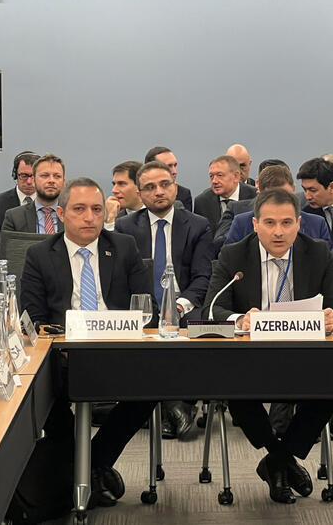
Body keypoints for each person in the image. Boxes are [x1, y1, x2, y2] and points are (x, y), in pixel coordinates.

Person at [202, 187, 333, 505]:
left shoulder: (318, 252)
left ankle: (276, 461)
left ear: (298, 224)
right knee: (236, 391)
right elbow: (212, 309)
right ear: (255, 224)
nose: (278, 232)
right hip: (250, 361)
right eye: (269, 223)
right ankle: (282, 459)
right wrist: (240, 320)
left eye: (286, 223)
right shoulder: (234, 255)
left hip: (306, 358)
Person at [20, 177, 155, 509]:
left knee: (156, 384)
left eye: (96, 209)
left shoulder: (124, 247)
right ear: (61, 214)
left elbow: (146, 307)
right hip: (64, 358)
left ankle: (91, 464)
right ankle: (85, 472)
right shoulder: (40, 254)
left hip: (120, 353)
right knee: (43, 395)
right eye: (79, 209)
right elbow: (33, 319)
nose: (90, 217)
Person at [114, 161, 213, 439]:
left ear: (175, 188)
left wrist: (177, 307)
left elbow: (203, 277)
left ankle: (170, 408)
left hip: (185, 308)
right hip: (145, 310)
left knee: (196, 337)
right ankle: (176, 407)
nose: (158, 191)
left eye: (164, 184)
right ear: (140, 194)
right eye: (150, 187)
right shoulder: (125, 227)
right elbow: (122, 280)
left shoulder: (198, 225)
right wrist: (151, 311)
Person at [220, 164, 331, 251]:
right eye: (271, 198)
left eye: (285, 195)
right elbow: (228, 262)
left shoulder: (317, 224)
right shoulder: (242, 224)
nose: (279, 203)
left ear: (293, 189)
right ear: (259, 194)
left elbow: (329, 265)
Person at [0, 150, 39, 258]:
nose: (29, 181)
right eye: (24, 176)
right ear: (15, 175)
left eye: (34, 176)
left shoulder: (51, 203)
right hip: (11, 262)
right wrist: (15, 256)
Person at [2, 153, 65, 236]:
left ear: (63, 182)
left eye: (57, 176)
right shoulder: (14, 217)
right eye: (45, 175)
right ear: (34, 180)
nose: (51, 180)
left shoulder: (74, 215)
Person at [194, 155, 257, 238]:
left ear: (236, 176)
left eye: (220, 175)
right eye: (211, 176)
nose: (214, 181)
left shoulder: (254, 196)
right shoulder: (202, 201)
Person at [144, 146, 193, 211]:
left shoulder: (183, 194)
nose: (174, 172)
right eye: (169, 166)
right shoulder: (136, 194)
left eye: (175, 165)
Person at [103, 160, 144, 230]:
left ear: (139, 185)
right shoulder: (110, 219)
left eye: (121, 184)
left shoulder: (158, 214)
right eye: (114, 184)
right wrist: (110, 220)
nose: (114, 190)